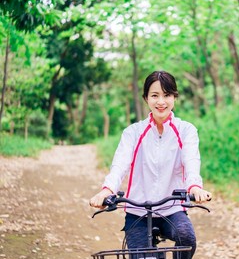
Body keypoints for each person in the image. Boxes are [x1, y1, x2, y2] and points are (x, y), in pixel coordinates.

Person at [89, 70, 212, 259]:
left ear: (174, 97)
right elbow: (120, 164)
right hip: (137, 210)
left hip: (172, 208)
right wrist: (107, 190)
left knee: (186, 237)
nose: (161, 101)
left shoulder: (186, 130)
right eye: (155, 95)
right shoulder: (133, 132)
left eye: (167, 95)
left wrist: (194, 186)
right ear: (146, 98)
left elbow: (191, 160)